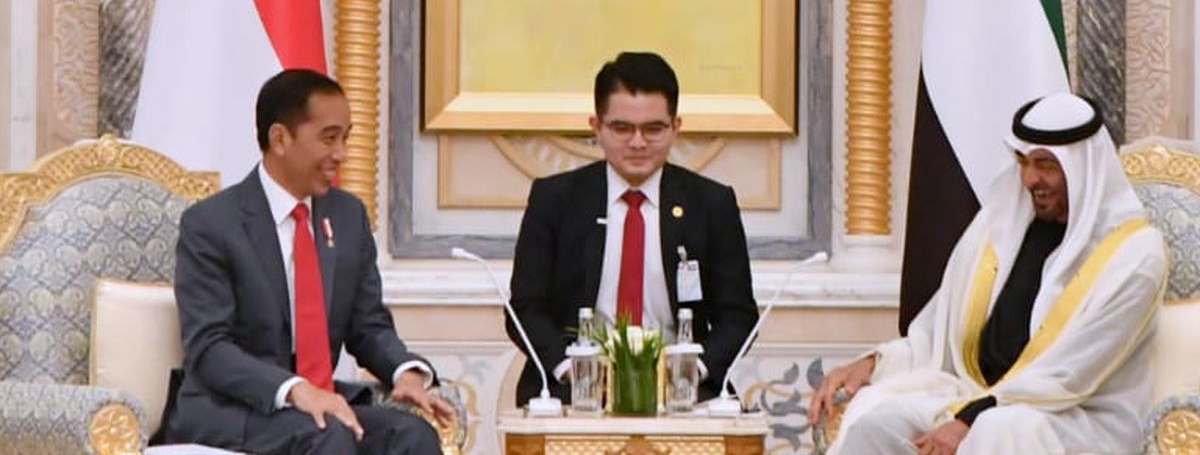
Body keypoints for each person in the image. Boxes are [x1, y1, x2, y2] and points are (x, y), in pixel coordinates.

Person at [808, 93, 1166, 455]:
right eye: (1023, 161)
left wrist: (969, 420)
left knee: (997, 431)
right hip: (973, 396)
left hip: (1076, 419)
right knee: (878, 424)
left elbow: (1070, 374)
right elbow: (936, 336)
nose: (1028, 179)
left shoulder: (1134, 255)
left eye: (1046, 165)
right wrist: (873, 363)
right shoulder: (1000, 227)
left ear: (1083, 169)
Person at [164, 69, 453, 455]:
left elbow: (367, 323)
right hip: (233, 408)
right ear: (280, 138)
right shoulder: (212, 223)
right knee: (328, 435)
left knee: (413, 436)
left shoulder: (347, 215)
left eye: (346, 138)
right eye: (329, 139)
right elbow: (210, 347)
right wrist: (296, 391)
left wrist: (406, 372)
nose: (342, 155)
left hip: (320, 407)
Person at [508, 51, 758, 406]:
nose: (638, 142)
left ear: (676, 127)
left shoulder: (711, 204)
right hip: (572, 389)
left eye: (653, 129)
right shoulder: (555, 199)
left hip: (684, 393)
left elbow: (739, 315)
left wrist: (691, 370)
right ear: (596, 127)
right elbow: (524, 309)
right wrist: (572, 368)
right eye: (622, 128)